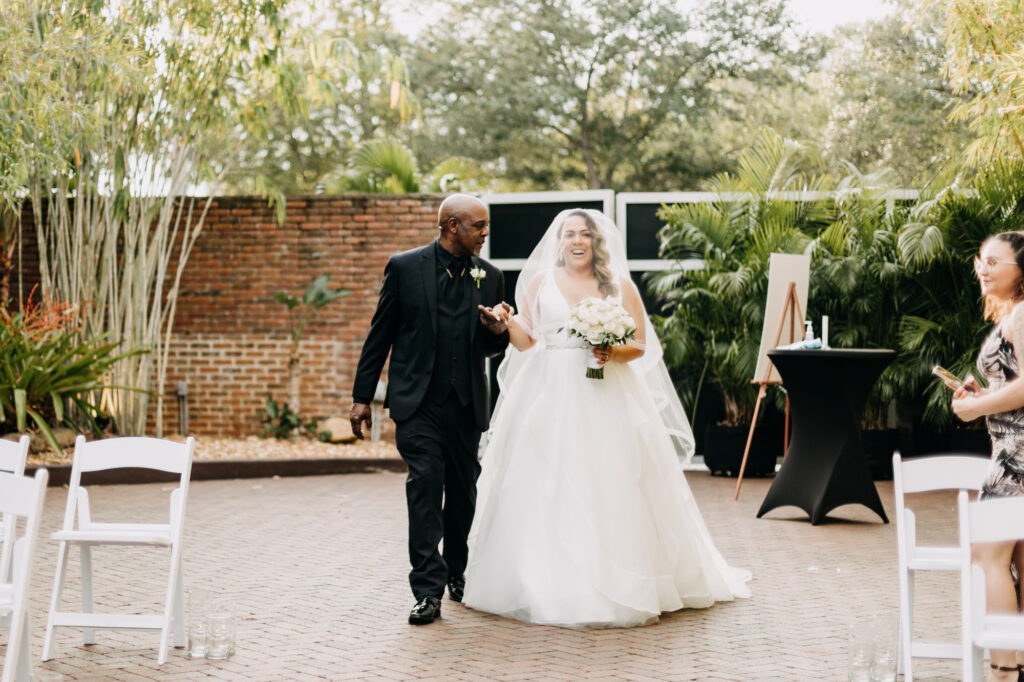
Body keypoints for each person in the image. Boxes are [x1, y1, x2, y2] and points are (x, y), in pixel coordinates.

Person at [461, 208, 751, 627]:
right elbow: (527, 343)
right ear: (559, 242)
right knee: (545, 479)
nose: (577, 241)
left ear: (597, 241)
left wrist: (611, 352)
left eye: (585, 234)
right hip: (548, 393)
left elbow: (640, 346)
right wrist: (506, 324)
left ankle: (613, 580)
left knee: (608, 480)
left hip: (605, 392)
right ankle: (543, 580)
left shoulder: (618, 285)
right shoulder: (541, 282)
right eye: (569, 234)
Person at [350, 194, 510, 625]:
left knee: (463, 494)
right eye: (479, 225)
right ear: (452, 226)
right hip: (417, 403)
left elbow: (493, 346)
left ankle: (459, 574)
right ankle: (427, 590)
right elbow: (379, 334)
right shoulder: (404, 267)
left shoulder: (490, 276)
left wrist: (497, 331)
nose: (485, 233)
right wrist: (362, 397)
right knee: (424, 486)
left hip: (465, 404)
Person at [952, 231, 1024, 681]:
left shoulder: (1021, 316)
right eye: (982, 259)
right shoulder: (1014, 315)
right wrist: (987, 395)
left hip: (1016, 457)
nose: (984, 267)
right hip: (1014, 449)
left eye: (995, 262)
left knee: (987, 556)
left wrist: (974, 407)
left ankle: (1002, 672)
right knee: (1014, 559)